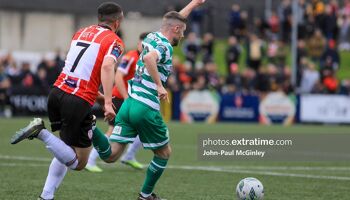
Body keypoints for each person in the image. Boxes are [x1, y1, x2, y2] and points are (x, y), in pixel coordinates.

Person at [91, 1, 206, 199]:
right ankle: (145, 196)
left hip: (129, 104)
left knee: (110, 155)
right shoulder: (165, 47)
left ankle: (90, 128)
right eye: (183, 32)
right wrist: (160, 86)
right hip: (146, 106)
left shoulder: (153, 36)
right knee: (164, 153)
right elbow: (148, 59)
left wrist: (194, 4)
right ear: (176, 29)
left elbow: (174, 19)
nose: (183, 36)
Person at [10, 2, 124, 200]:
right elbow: (107, 67)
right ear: (117, 21)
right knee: (79, 162)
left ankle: (46, 195)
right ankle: (41, 132)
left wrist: (97, 96)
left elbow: (81, 68)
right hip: (77, 101)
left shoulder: (80, 32)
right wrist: (107, 101)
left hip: (57, 92)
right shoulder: (114, 41)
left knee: (65, 148)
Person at [86, 32, 149, 172]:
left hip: (132, 100)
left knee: (144, 126)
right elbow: (118, 78)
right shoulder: (130, 57)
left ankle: (129, 156)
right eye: (142, 44)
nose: (143, 47)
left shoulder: (145, 59)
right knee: (113, 130)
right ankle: (90, 160)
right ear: (138, 44)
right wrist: (127, 98)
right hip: (120, 99)